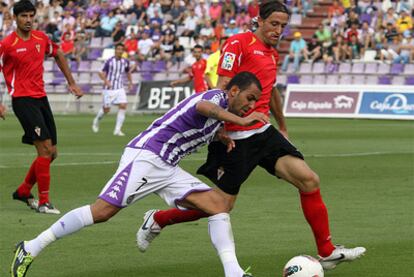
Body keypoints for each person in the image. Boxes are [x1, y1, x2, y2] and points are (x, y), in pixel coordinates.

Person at [137, 0, 366, 271]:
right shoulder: (238, 44)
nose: (278, 30)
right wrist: (220, 128)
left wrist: (282, 125)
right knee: (220, 205)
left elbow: (271, 91)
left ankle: (326, 252)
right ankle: (158, 219)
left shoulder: (272, 53)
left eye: (283, 25)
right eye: (274, 24)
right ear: (260, 20)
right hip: (234, 136)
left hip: (263, 132)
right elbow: (223, 86)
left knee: (309, 180)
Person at [11, 71, 268, 277]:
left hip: (166, 167)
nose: (251, 105)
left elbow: (197, 122)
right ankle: (31, 247)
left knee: (219, 205)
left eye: (255, 100)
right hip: (146, 157)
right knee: (102, 212)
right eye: (249, 98)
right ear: (234, 91)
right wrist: (243, 122)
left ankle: (232, 271)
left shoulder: (221, 115)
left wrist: (220, 135)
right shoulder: (216, 98)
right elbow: (202, 106)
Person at [0, 1, 83, 214]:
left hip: (41, 99)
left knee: (52, 153)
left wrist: (71, 82)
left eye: (31, 16)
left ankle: (23, 190)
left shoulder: (41, 38)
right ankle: (44, 202)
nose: (28, 20)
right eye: (23, 16)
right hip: (22, 100)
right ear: (15, 18)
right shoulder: (7, 44)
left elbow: (59, 54)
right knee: (44, 150)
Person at [92, 43, 132, 136]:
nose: (120, 51)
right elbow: (100, 72)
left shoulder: (125, 61)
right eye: (118, 49)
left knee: (123, 105)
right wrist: (106, 81)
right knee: (106, 110)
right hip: (109, 89)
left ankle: (117, 130)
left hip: (120, 87)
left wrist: (130, 82)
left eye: (121, 49)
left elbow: (128, 72)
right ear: (115, 50)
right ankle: (96, 120)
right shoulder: (109, 61)